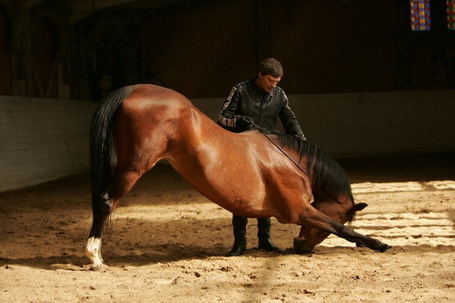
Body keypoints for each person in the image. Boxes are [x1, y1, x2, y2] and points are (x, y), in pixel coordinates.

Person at [217, 58, 306, 256]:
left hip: (267, 150)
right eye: (270, 81)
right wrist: (240, 121)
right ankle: (239, 242)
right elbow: (222, 117)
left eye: (276, 82)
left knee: (268, 192)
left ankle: (265, 239)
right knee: (241, 194)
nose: (273, 86)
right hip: (241, 149)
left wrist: (301, 140)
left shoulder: (279, 94)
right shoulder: (240, 90)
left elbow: (289, 118)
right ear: (260, 75)